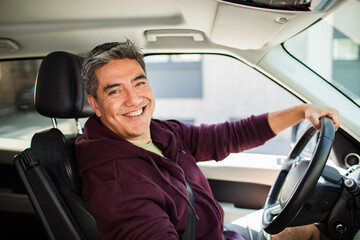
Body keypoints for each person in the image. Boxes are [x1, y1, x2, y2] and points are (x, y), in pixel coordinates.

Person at [75, 40, 340, 240]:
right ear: (95, 104)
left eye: (139, 83)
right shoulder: (115, 183)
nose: (134, 100)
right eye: (115, 91)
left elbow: (227, 136)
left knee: (307, 226)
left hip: (222, 234)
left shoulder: (161, 132)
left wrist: (301, 112)